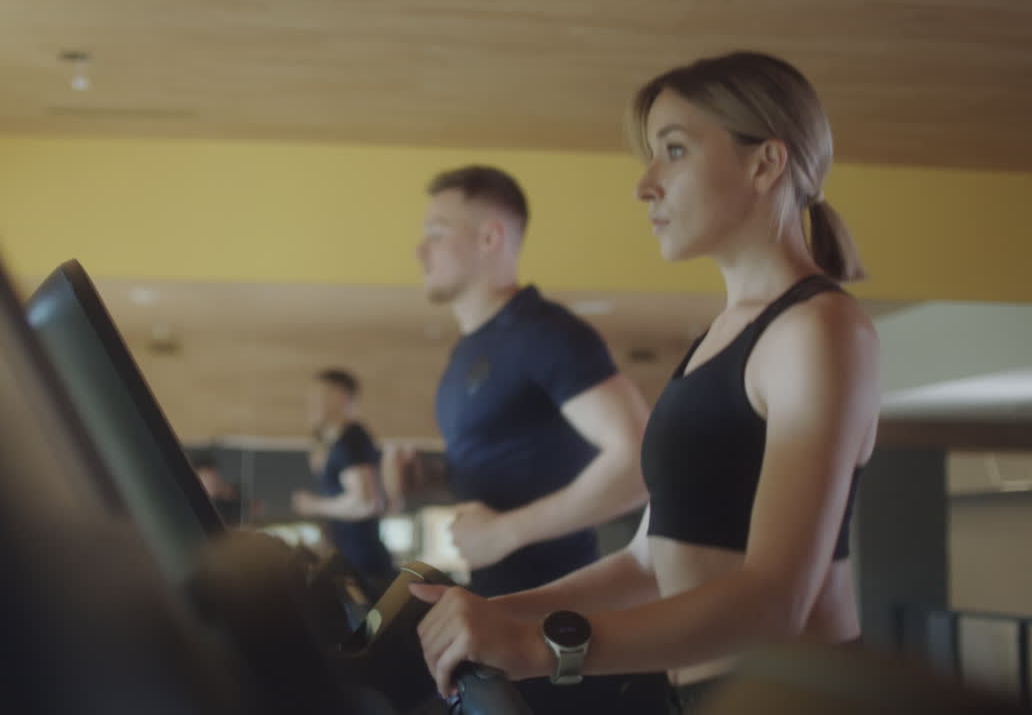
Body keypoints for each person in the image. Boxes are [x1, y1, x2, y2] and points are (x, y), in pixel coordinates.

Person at [408, 51, 881, 714]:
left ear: (765, 163)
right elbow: (650, 562)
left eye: (675, 150)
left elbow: (775, 601)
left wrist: (539, 646)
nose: (645, 184)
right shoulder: (716, 340)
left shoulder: (818, 329)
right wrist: (489, 613)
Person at [385, 165, 669, 712]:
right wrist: (429, 477)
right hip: (498, 611)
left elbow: (637, 460)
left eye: (437, 232)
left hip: (559, 639)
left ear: (490, 237)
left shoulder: (546, 333)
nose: (421, 250)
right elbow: (514, 463)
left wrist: (506, 532)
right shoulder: (468, 352)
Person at [292, 368, 396, 597]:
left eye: (319, 396)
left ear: (341, 397)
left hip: (364, 567)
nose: (313, 404)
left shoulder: (351, 440)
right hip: (352, 562)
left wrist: (313, 505)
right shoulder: (337, 443)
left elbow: (367, 503)